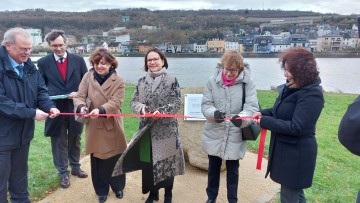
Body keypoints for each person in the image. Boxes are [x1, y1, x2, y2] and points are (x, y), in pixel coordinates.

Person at [112, 47, 185, 203]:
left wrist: (162, 111)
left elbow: (177, 101)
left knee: (167, 163)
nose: (152, 62)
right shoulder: (141, 82)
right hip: (146, 130)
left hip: (166, 129)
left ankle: (168, 193)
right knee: (149, 163)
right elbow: (133, 102)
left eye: (155, 59)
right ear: (146, 63)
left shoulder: (172, 80)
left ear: (163, 61)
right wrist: (142, 108)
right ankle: (153, 193)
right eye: (149, 60)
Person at [253, 47, 324, 203]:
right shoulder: (292, 87)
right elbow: (279, 111)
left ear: (301, 71)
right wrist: (263, 113)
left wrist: (266, 122)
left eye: (288, 70)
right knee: (295, 194)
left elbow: (296, 127)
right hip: (286, 153)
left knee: (289, 196)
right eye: (284, 69)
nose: (285, 74)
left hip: (296, 156)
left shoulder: (312, 94)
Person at [0, 27, 60, 203]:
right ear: (8, 46)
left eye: (29, 49)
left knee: (20, 184)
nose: (28, 53)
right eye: (23, 49)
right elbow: (2, 102)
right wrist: (32, 113)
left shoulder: (30, 67)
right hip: (2, 138)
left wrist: (50, 106)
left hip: (23, 137)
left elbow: (41, 91)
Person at [201, 50, 259, 203]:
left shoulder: (248, 84)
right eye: (226, 69)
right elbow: (206, 104)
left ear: (240, 69)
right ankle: (211, 197)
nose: (228, 73)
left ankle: (232, 199)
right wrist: (214, 113)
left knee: (233, 170)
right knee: (213, 168)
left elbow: (251, 107)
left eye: (233, 70)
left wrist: (241, 118)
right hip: (215, 131)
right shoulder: (211, 81)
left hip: (235, 132)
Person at [73, 47, 127, 203]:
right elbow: (79, 96)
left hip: (112, 123)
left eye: (103, 63)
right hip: (95, 124)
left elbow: (116, 102)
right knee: (98, 160)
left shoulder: (119, 80)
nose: (100, 66)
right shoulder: (87, 77)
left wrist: (101, 109)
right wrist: (81, 107)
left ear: (111, 64)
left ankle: (118, 187)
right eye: (96, 63)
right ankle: (101, 190)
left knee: (116, 157)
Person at [37, 29, 88, 188]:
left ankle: (75, 167)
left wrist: (79, 94)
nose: (58, 48)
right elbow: (41, 87)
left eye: (60, 45)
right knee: (58, 140)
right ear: (49, 45)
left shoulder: (78, 60)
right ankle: (63, 173)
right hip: (55, 108)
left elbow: (86, 83)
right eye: (54, 46)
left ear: (66, 43)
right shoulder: (43, 63)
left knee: (75, 137)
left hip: (75, 107)